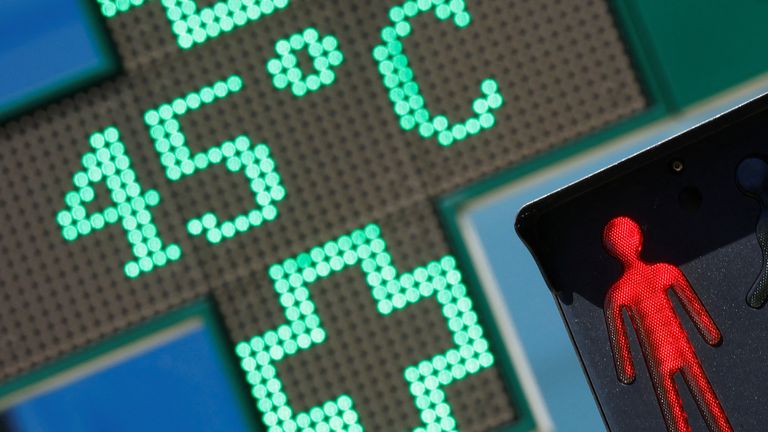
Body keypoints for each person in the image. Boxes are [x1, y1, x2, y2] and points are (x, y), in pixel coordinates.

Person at [603, 216, 732, 432]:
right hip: (676, 348)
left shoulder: (621, 291)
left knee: (676, 406)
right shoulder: (662, 272)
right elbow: (693, 306)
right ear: (638, 239)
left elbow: (618, 338)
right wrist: (709, 332)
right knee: (702, 396)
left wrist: (626, 369)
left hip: (660, 355)